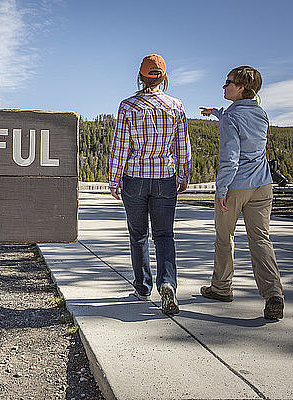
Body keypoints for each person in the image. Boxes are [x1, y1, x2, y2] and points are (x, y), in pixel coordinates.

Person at [109, 54, 191, 315]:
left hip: (135, 177)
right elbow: (182, 147)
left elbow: (121, 146)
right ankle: (167, 283)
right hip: (164, 177)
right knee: (165, 235)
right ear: (163, 77)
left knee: (138, 235)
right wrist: (183, 175)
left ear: (140, 76)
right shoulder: (176, 106)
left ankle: (143, 287)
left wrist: (114, 179)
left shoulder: (128, 106)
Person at [200, 66, 284, 320]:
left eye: (228, 83)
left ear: (241, 88)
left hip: (236, 186)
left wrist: (222, 189)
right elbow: (234, 114)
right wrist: (214, 112)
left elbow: (230, 158)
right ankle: (273, 295)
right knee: (260, 239)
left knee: (224, 238)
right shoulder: (260, 113)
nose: (224, 87)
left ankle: (221, 288)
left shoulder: (231, 118)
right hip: (263, 185)